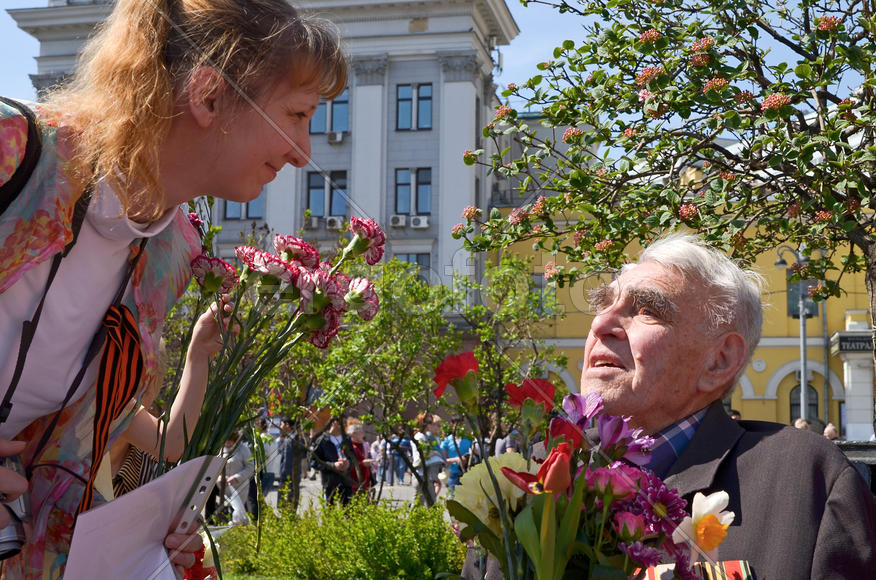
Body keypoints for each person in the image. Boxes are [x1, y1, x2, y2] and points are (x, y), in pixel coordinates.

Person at [0, 0, 346, 575]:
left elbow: (70, 459)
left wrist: (135, 544)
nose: (304, 152)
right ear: (209, 95)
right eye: (296, 114)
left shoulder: (166, 254)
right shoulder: (14, 153)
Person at [580, 233, 876, 578]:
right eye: (604, 305)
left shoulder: (806, 480)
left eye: (647, 310)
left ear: (719, 361)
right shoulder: (537, 472)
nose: (600, 325)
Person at [106, 299, 232, 499]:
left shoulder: (156, 470)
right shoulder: (91, 403)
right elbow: (173, 442)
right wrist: (198, 353)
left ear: (151, 391)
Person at [310, 417, 352, 505]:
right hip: (329, 483)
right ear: (335, 423)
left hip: (345, 481)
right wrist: (332, 465)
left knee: (348, 511)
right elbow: (314, 462)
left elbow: (353, 458)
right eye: (343, 424)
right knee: (329, 511)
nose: (345, 426)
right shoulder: (322, 440)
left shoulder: (347, 439)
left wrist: (349, 464)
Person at [219, 434, 254, 526]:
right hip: (223, 486)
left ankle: (238, 527)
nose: (227, 444)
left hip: (240, 486)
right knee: (226, 508)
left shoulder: (243, 449)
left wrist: (237, 477)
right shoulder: (220, 448)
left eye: (230, 441)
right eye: (226, 441)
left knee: (238, 509)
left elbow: (251, 467)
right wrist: (218, 477)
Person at [414, 413, 446, 504]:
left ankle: (431, 517)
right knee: (418, 502)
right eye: (428, 422)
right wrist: (435, 453)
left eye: (431, 422)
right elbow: (422, 454)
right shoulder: (419, 437)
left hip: (427, 474)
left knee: (430, 501)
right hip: (421, 473)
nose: (430, 425)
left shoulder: (427, 437)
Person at [440, 421, 472, 499]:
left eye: (461, 425)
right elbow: (442, 459)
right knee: (453, 498)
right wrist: (456, 459)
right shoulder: (447, 440)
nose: (460, 427)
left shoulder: (468, 439)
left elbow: (474, 454)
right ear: (452, 425)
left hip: (467, 473)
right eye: (457, 425)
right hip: (454, 473)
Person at [345, 420, 373, 496]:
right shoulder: (350, 448)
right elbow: (348, 465)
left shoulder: (361, 446)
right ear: (353, 434)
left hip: (364, 483)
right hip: (355, 484)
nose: (363, 435)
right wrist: (362, 464)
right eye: (361, 432)